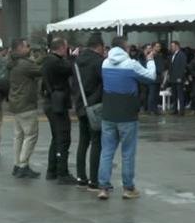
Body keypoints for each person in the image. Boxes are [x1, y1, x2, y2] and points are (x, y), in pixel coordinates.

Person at [97, 36, 156, 201]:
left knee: (107, 151)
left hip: (108, 112)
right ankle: (128, 188)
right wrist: (150, 60)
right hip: (127, 114)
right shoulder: (131, 64)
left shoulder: (105, 63)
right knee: (127, 153)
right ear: (125, 47)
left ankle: (103, 187)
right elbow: (151, 77)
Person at [41, 38, 77, 184]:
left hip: (51, 101)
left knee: (56, 137)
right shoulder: (55, 62)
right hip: (57, 102)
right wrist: (72, 57)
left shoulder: (48, 60)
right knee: (63, 137)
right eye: (66, 48)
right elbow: (69, 69)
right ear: (61, 48)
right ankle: (62, 172)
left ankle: (52, 169)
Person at [6, 38, 43, 179]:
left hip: (15, 102)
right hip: (26, 104)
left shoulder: (12, 62)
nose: (29, 49)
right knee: (31, 135)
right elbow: (40, 71)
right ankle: (23, 165)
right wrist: (43, 58)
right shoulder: (24, 64)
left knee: (18, 136)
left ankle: (17, 164)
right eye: (27, 46)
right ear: (20, 48)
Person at [75, 36, 104, 189]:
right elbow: (104, 82)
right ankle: (94, 179)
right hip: (96, 106)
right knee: (96, 142)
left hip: (81, 105)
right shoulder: (99, 62)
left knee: (83, 141)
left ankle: (81, 176)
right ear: (99, 46)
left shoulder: (77, 61)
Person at [168, 41, 186, 115]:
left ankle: (181, 110)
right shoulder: (173, 55)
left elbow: (182, 67)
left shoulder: (181, 55)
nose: (171, 47)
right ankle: (175, 109)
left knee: (180, 94)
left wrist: (180, 77)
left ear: (177, 46)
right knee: (174, 95)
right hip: (173, 77)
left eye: (173, 46)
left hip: (178, 78)